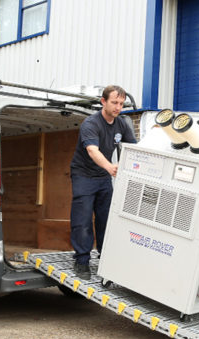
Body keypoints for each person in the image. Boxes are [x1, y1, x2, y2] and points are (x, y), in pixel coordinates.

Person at [69, 85, 136, 279]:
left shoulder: (121, 123)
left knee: (105, 217)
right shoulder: (91, 123)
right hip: (84, 174)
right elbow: (92, 150)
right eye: (114, 102)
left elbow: (132, 148)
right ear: (103, 102)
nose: (118, 107)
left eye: (121, 104)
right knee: (82, 220)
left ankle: (105, 257)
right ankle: (82, 260)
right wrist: (110, 167)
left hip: (103, 176)